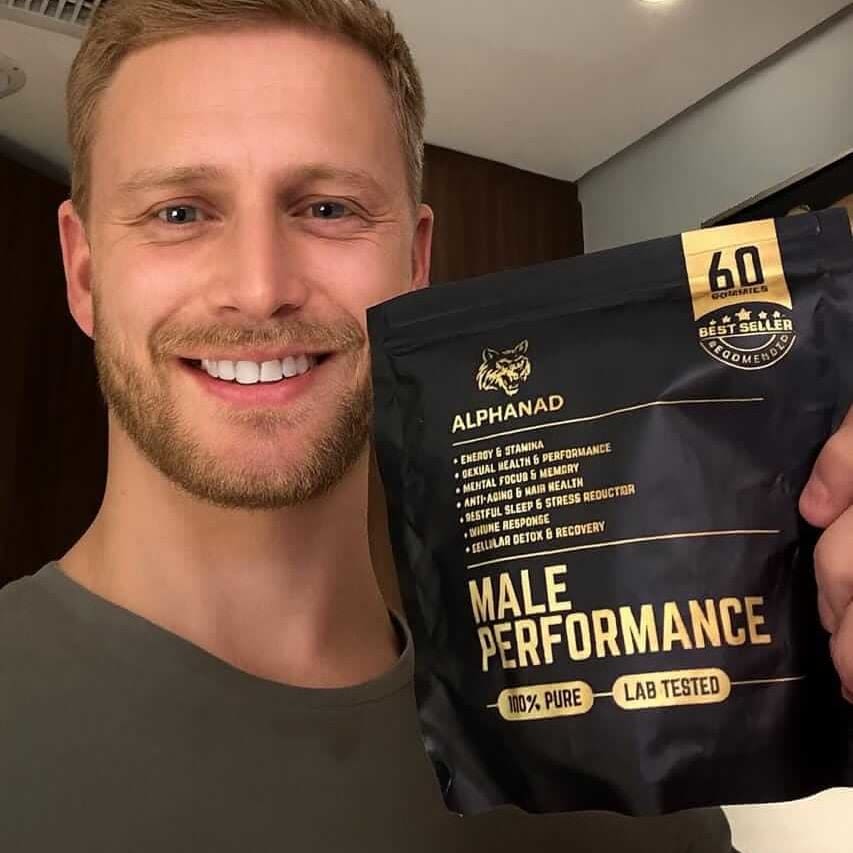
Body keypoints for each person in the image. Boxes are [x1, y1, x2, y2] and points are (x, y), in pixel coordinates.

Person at [0, 1, 850, 850]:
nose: (259, 289)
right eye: (179, 213)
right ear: (84, 273)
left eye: (327, 208)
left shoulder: (632, 783)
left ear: (414, 264)